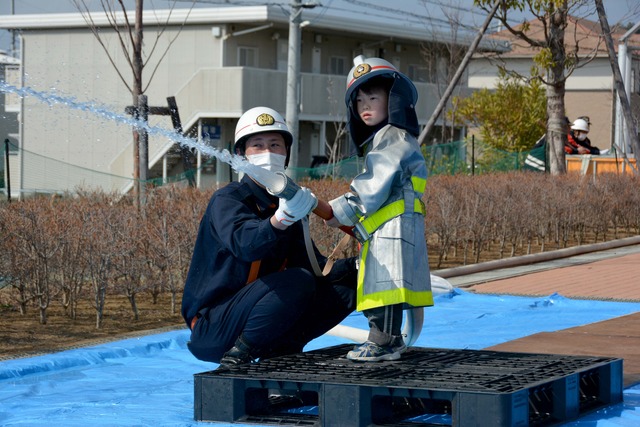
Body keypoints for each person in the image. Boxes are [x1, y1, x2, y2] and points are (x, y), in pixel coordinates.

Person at [182, 106, 358, 368]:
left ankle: (281, 351)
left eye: (275, 145)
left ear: (286, 154)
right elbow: (246, 245)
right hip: (216, 325)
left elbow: (313, 268)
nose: (268, 153)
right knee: (297, 281)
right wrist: (280, 221)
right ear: (241, 155)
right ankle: (238, 356)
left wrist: (357, 266)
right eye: (258, 146)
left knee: (348, 283)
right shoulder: (228, 200)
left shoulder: (286, 203)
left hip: (259, 311)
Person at [325, 56, 434, 362]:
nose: (365, 106)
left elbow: (372, 185)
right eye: (359, 100)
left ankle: (382, 340)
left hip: (392, 226)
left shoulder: (392, 137)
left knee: (383, 285)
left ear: (393, 99)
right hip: (391, 224)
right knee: (383, 282)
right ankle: (392, 339)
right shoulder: (391, 137)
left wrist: (339, 211)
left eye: (373, 97)